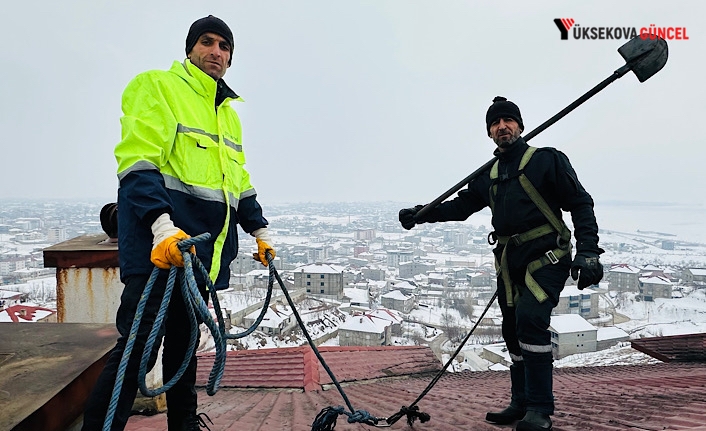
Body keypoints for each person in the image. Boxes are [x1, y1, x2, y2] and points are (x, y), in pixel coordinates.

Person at [82, 15, 275, 431]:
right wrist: (161, 226)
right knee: (137, 353)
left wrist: (259, 229)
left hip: (198, 260)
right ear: (190, 49)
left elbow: (237, 183)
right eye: (207, 42)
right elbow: (137, 164)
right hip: (161, 251)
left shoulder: (227, 115)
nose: (216, 52)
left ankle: (184, 425)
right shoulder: (158, 87)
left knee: (184, 350)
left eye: (225, 47)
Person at [399, 96, 603, 431]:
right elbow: (459, 207)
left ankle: (539, 409)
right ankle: (521, 402)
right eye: (495, 123)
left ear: (520, 126)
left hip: (547, 256)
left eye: (508, 120)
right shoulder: (488, 175)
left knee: (530, 319)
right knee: (511, 329)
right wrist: (421, 215)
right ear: (490, 132)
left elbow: (580, 203)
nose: (502, 126)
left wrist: (589, 250)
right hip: (510, 261)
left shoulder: (547, 161)